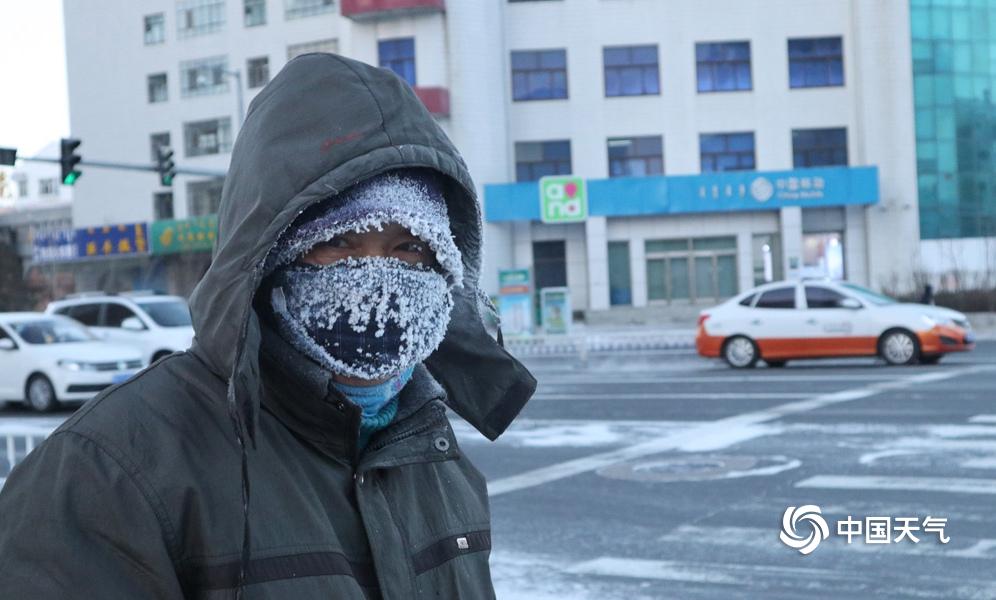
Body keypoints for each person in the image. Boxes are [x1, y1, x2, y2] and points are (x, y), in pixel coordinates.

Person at [0, 53, 536, 599]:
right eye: (339, 243)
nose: (379, 280)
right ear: (270, 257)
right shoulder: (110, 470)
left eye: (410, 248)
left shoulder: (439, 463)